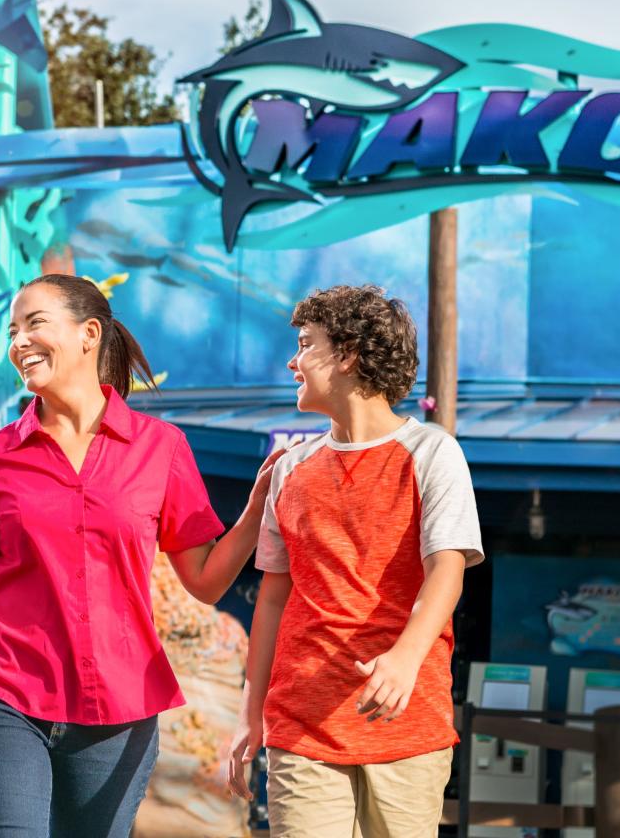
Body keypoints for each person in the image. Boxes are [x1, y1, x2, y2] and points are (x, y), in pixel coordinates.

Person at [0, 273, 281, 838]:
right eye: (13, 331)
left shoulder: (161, 448)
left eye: (34, 324)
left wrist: (253, 514)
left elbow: (203, 580)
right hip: (2, 692)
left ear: (89, 334)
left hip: (120, 708)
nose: (18, 343)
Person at [228, 284, 484, 837]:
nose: (293, 361)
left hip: (406, 726)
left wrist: (404, 658)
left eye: (305, 344)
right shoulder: (287, 470)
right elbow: (272, 599)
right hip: (301, 727)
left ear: (346, 354)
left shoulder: (434, 453)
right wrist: (252, 711)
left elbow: (448, 571)